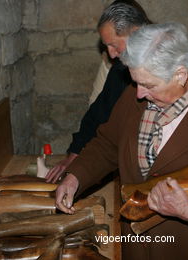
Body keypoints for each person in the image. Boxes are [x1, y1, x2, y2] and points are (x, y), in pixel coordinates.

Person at [56, 22, 188, 260]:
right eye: (136, 82)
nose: (139, 93)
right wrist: (75, 177)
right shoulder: (137, 98)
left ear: (180, 74)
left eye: (148, 85)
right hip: (136, 246)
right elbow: (108, 144)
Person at [45, 0, 152, 183]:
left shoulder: (181, 66)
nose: (111, 54)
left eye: (114, 45)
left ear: (135, 33)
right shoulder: (121, 69)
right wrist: (76, 155)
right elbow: (100, 116)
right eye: (107, 46)